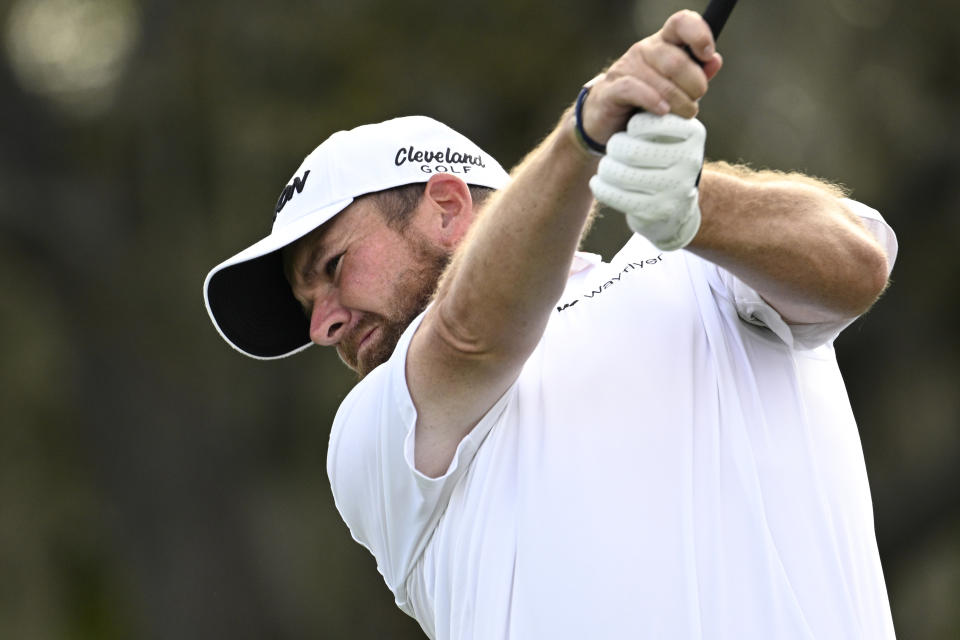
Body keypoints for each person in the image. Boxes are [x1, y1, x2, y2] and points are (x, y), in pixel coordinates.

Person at [204, 10, 897, 640]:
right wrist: (586, 136)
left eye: (333, 266)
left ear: (447, 208)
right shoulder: (372, 436)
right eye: (307, 308)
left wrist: (693, 200)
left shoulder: (696, 272)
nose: (322, 326)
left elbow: (859, 264)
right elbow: (473, 335)